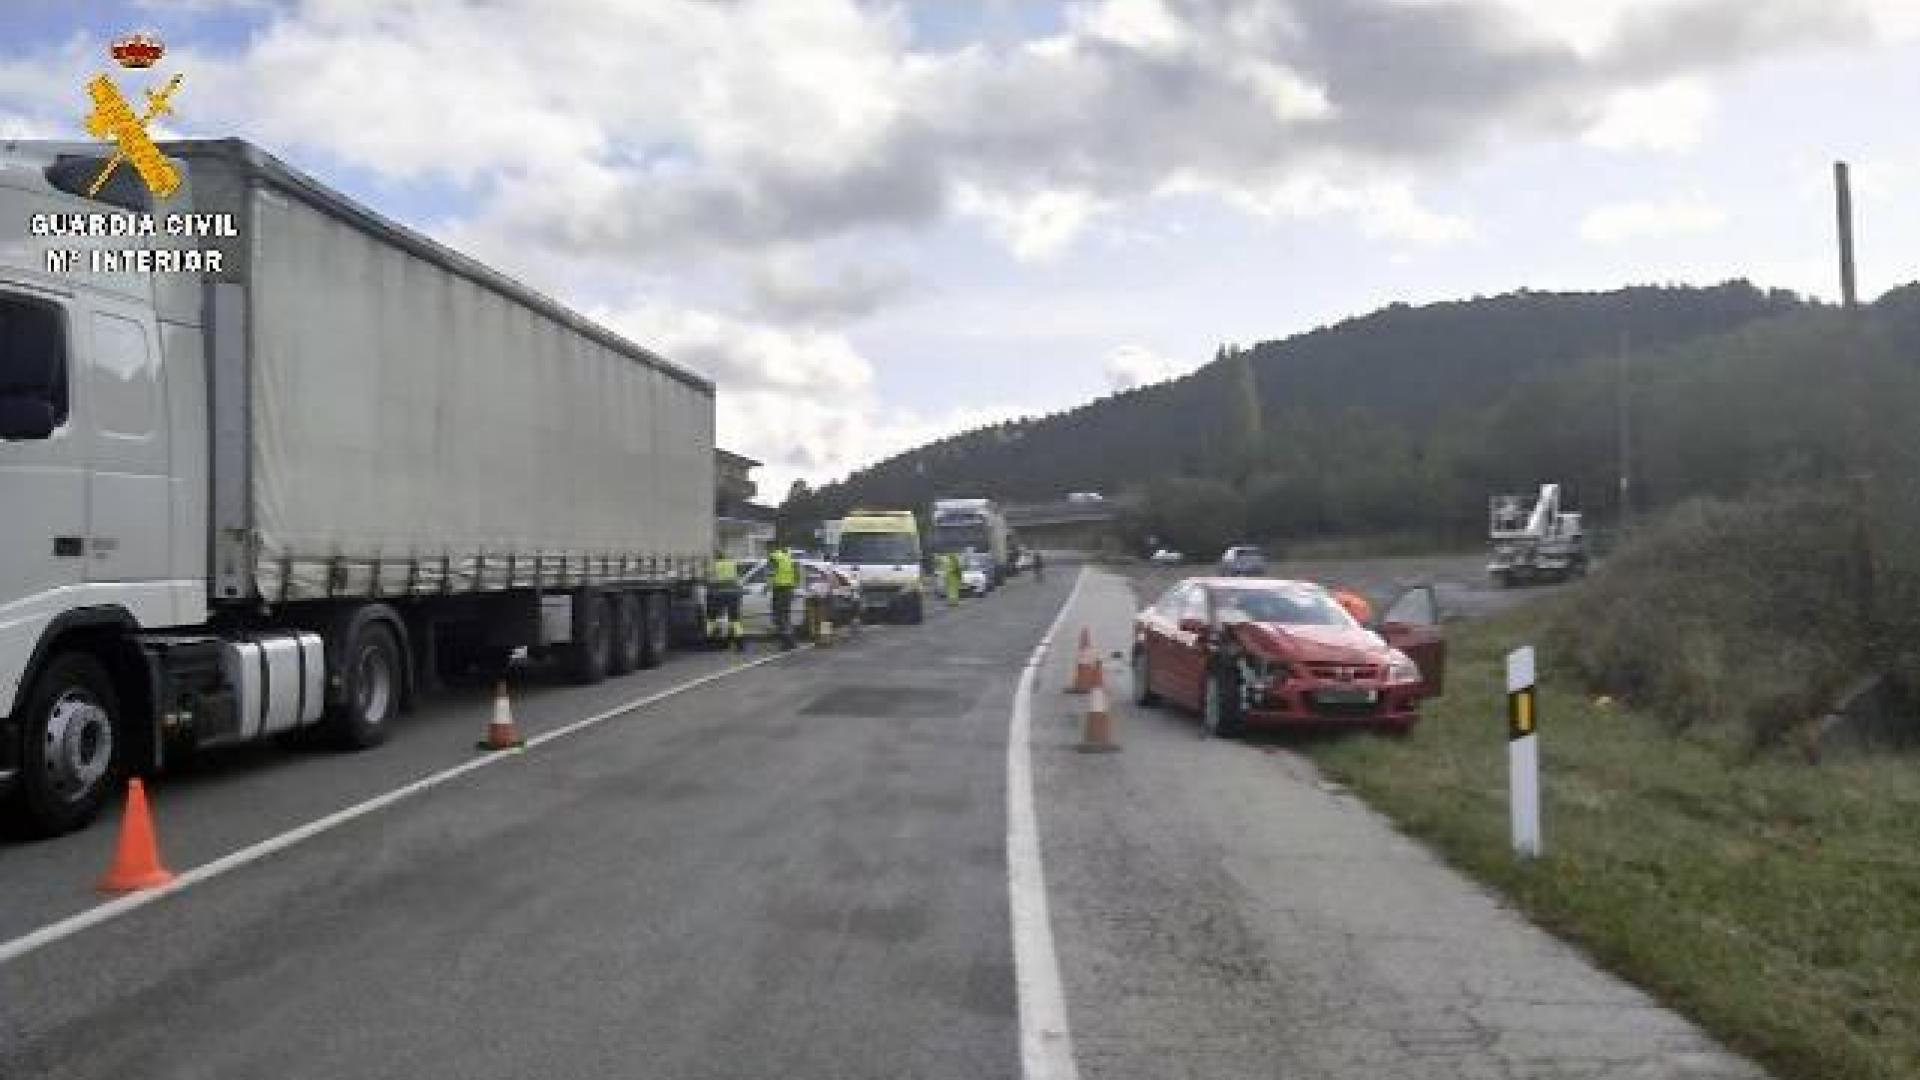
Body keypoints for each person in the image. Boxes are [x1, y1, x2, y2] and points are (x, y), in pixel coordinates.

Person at [706, 550, 745, 651]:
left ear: (717, 558)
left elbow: (711, 581)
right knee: (735, 619)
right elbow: (738, 578)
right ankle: (739, 643)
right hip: (733, 594)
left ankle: (714, 640)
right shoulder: (732, 564)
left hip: (720, 594)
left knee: (717, 617)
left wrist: (710, 593)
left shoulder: (715, 566)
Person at [768, 543, 799, 650]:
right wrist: (794, 587)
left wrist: (767, 586)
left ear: (772, 548)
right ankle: (791, 642)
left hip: (779, 589)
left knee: (780, 616)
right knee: (786, 616)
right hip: (788, 589)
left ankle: (787, 643)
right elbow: (796, 574)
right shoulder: (788, 558)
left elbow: (770, 573)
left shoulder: (774, 557)